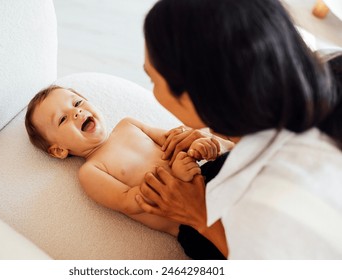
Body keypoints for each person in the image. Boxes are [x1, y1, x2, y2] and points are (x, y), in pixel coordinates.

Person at [136, 0, 342, 259]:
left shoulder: (266, 208)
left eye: (152, 79)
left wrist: (199, 216)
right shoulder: (329, 64)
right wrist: (225, 133)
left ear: (193, 97)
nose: (153, 89)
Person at [24, 85, 234, 258]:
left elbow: (172, 141)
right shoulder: (91, 171)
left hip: (209, 182)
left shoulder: (129, 125)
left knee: (231, 159)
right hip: (189, 226)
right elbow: (132, 201)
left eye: (77, 103)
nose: (76, 112)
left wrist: (200, 146)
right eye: (62, 119)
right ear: (60, 150)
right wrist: (176, 177)